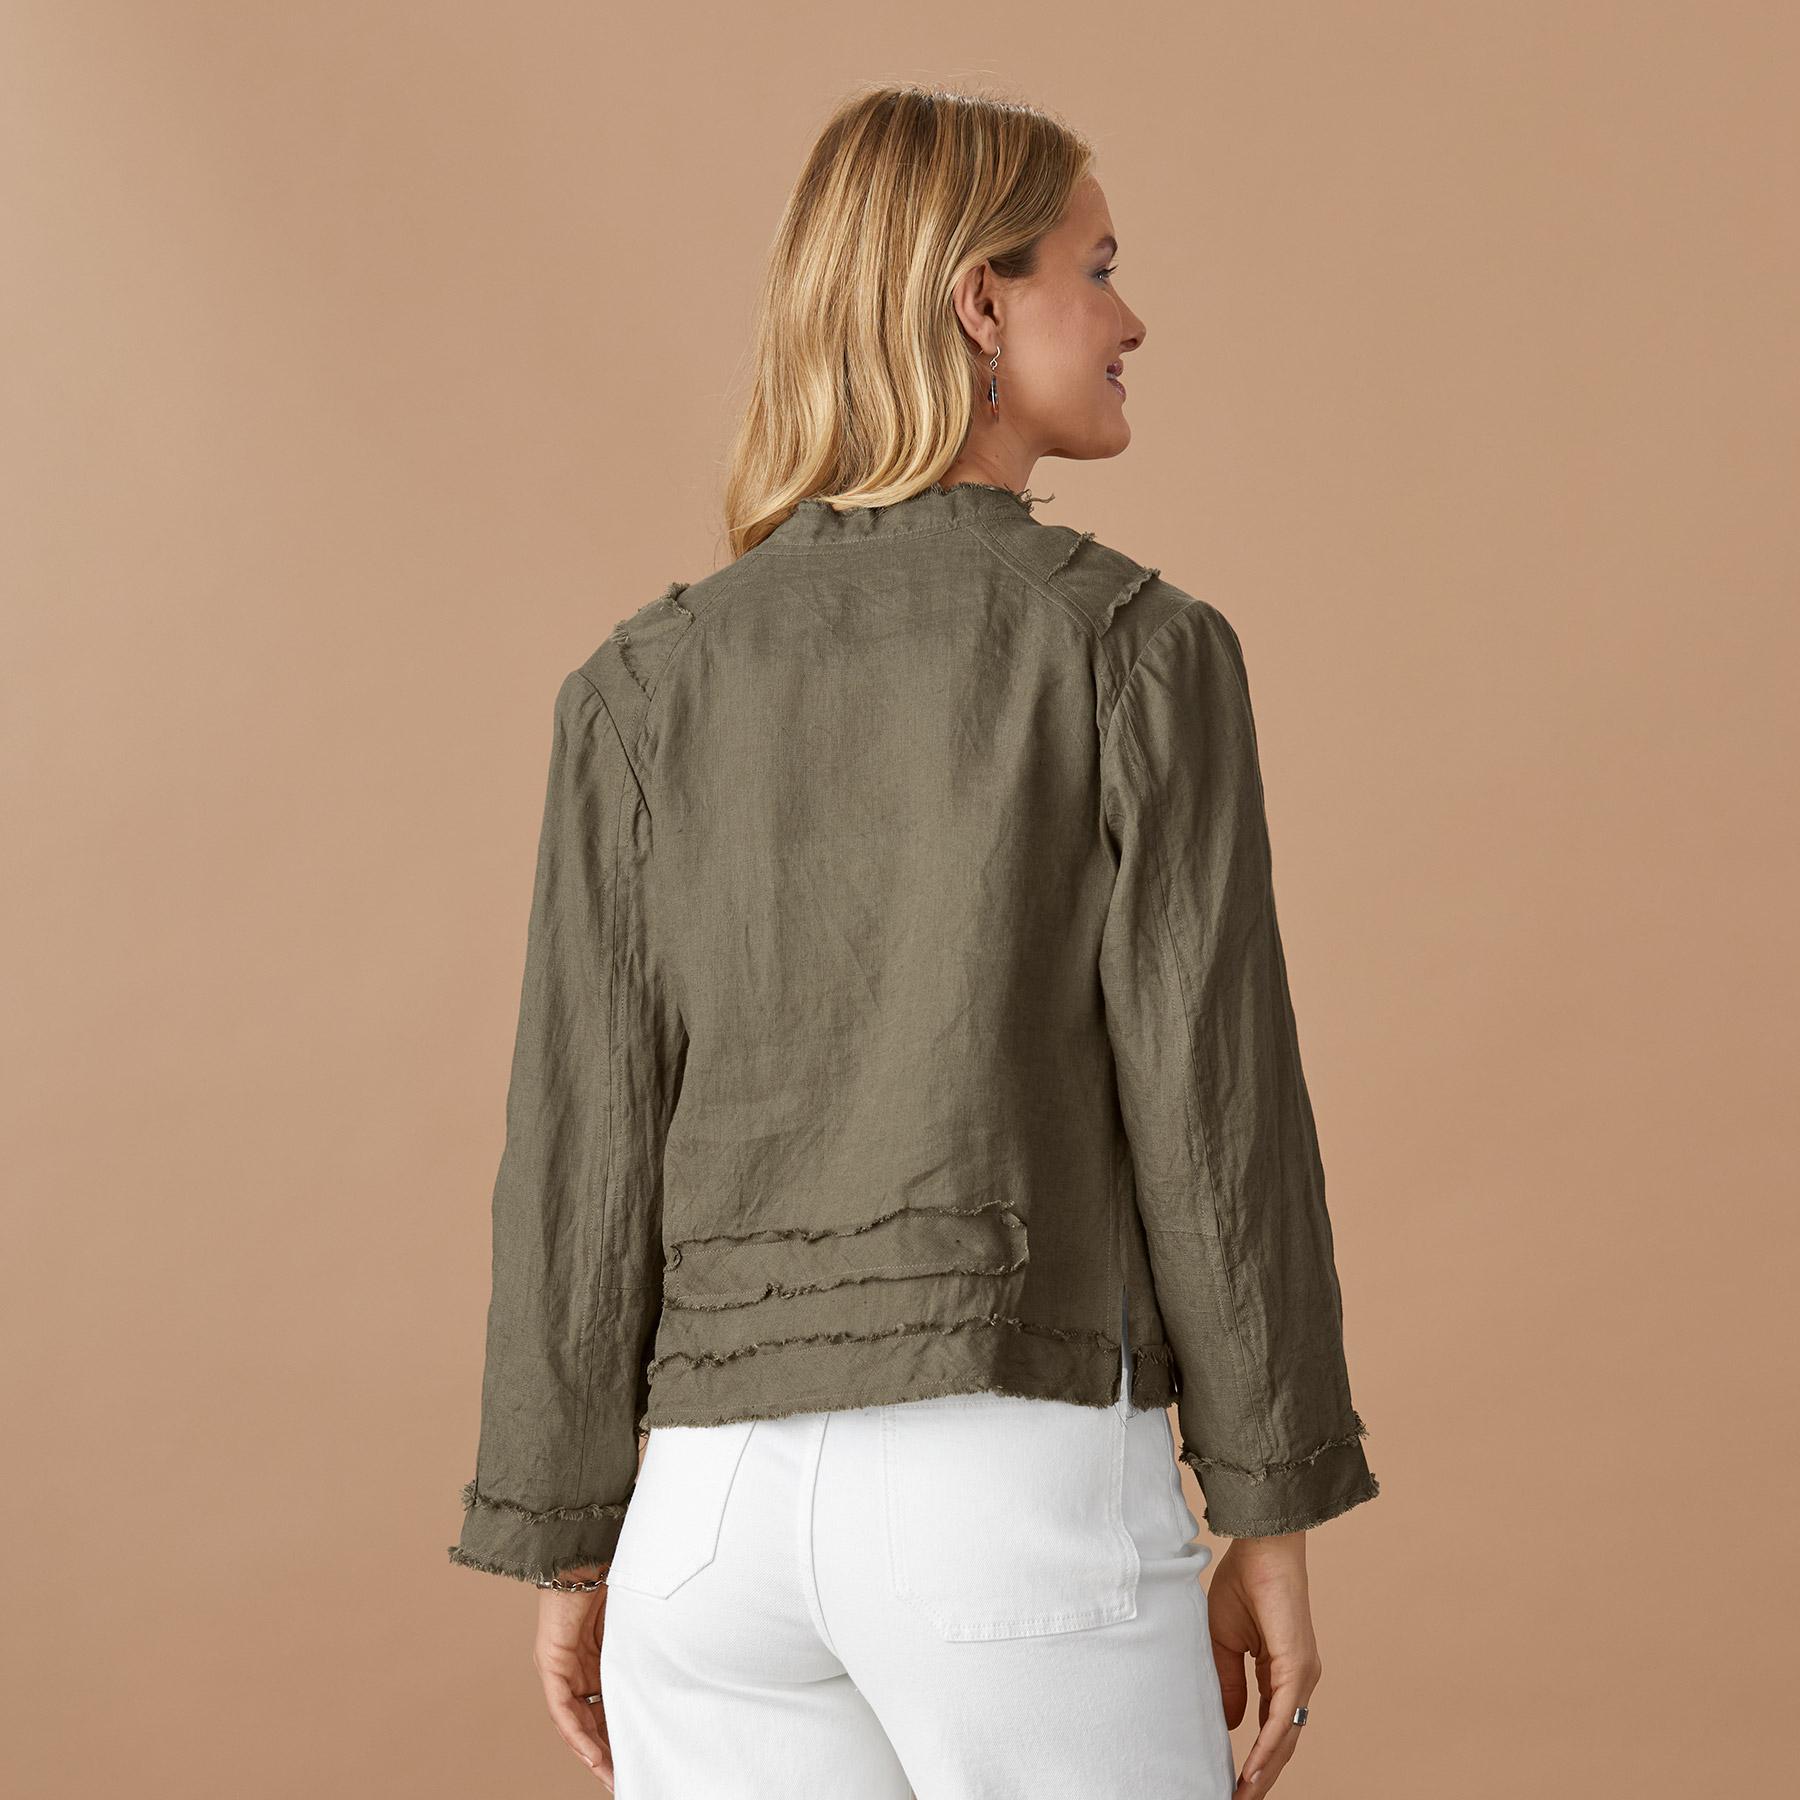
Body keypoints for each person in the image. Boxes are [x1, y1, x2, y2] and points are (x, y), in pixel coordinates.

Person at [447, 82, 1380, 1798]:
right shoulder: (1134, 652)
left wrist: (569, 1536)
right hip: (1008, 1487)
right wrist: (1272, 1502)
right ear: (978, 303)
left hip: (705, 1527)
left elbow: (580, 1144)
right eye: (1097, 268)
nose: (1131, 320)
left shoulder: (640, 686)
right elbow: (1218, 1118)